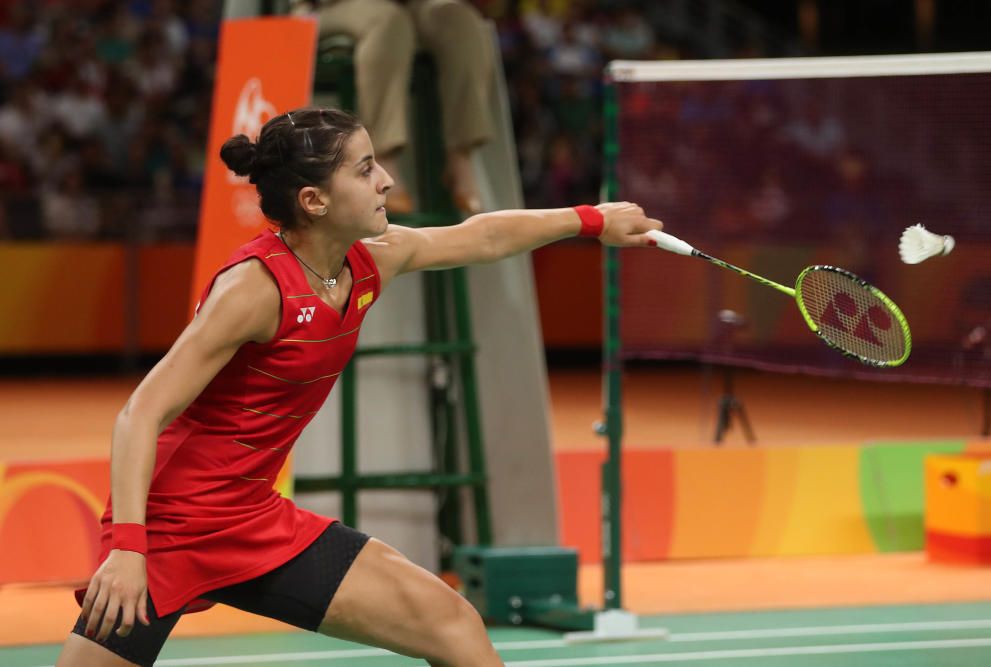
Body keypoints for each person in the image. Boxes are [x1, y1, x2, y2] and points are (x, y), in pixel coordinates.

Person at [55, 106, 661, 667]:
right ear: (315, 200)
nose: (387, 180)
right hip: (168, 526)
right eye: (366, 168)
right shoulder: (254, 289)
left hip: (252, 518)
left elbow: (482, 236)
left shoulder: (372, 260)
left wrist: (592, 220)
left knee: (451, 624)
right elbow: (142, 412)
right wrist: (130, 549)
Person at [291, 0, 495, 216]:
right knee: (389, 22)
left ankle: (460, 155)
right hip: (326, 7)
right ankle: (382, 155)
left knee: (460, 21)